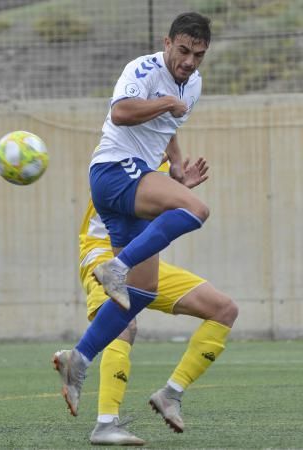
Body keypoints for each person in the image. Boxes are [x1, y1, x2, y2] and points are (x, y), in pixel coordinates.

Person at [52, 11, 238, 441]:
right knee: (197, 211)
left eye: (199, 55)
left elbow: (166, 126)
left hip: (135, 187)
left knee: (142, 292)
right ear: (167, 41)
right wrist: (165, 104)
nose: (190, 62)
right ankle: (114, 267)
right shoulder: (143, 69)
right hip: (115, 171)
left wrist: (176, 167)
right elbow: (121, 113)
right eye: (184, 50)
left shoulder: (192, 84)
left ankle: (79, 361)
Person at [77, 158, 237, 445]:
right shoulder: (121, 152)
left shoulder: (161, 160)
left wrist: (177, 189)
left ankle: (170, 394)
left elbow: (150, 214)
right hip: (104, 256)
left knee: (223, 309)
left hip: (141, 259)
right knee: (124, 322)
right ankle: (105, 423)